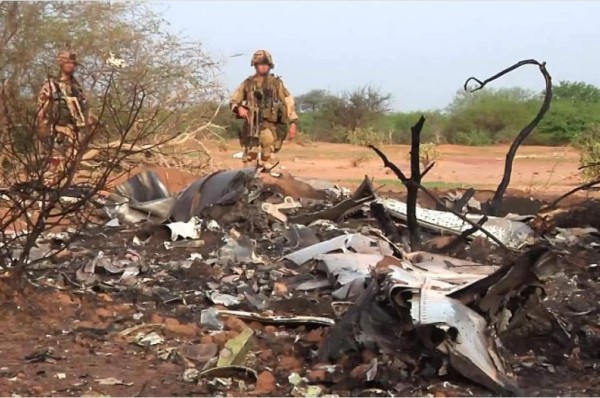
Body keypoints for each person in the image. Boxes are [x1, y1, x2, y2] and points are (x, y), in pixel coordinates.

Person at [230, 50, 298, 167]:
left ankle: (268, 183)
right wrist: (239, 109)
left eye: (265, 64)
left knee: (269, 158)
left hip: (270, 127)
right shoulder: (247, 84)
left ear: (270, 66)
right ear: (255, 65)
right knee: (250, 158)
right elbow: (233, 101)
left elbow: (288, 102)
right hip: (251, 127)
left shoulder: (276, 84)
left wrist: (293, 123)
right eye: (259, 64)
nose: (262, 67)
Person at [36, 49, 89, 179]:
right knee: (55, 163)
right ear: (61, 64)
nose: (71, 65)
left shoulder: (77, 88)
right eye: (67, 62)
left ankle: (66, 191)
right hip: (58, 130)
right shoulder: (51, 85)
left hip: (75, 131)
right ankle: (48, 191)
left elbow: (84, 110)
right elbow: (41, 108)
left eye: (73, 63)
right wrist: (42, 127)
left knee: (72, 165)